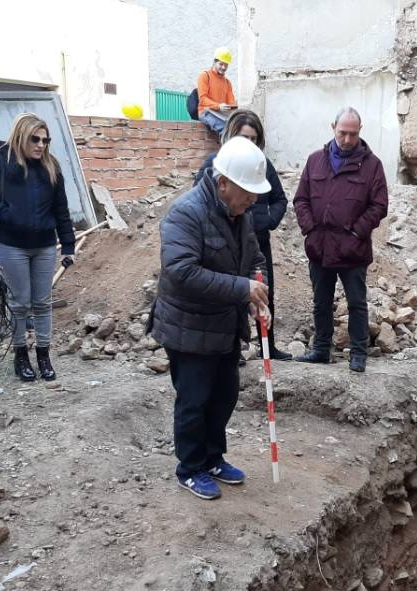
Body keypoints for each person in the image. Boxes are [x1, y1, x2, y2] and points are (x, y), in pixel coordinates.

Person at [150, 136, 271, 501]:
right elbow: (182, 272)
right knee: (194, 399)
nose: (253, 200)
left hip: (222, 326)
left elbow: (253, 260)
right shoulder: (185, 214)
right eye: (247, 192)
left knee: (224, 395)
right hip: (188, 326)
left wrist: (256, 290)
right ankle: (190, 467)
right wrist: (240, 289)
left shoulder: (239, 215)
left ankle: (213, 457)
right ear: (222, 183)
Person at [0, 113, 75, 382]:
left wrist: (68, 244)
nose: (41, 144)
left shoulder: (50, 166)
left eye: (45, 140)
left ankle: (44, 355)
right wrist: (6, 213)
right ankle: (21, 357)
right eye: (35, 138)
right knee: (19, 304)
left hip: (44, 246)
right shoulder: (1, 162)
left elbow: (61, 209)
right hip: (12, 246)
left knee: (42, 304)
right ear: (22, 135)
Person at [293, 107, 388, 373]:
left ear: (360, 131)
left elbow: (379, 206)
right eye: (342, 133)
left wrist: (357, 232)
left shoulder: (372, 165)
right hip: (319, 248)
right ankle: (321, 349)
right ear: (332, 126)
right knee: (320, 301)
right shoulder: (315, 161)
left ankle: (358, 353)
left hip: (353, 250)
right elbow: (301, 199)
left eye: (353, 134)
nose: (347, 139)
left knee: (356, 302)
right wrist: (310, 230)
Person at [196, 109, 291, 361]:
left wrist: (268, 221)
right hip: (224, 243)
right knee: (231, 293)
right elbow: (201, 201)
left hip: (257, 241)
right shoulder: (215, 165)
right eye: (243, 137)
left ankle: (267, 347)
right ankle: (233, 348)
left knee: (261, 291)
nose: (248, 143)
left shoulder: (263, 165)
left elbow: (280, 198)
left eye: (253, 138)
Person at [196, 47, 237, 135]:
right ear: (214, 62)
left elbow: (231, 102)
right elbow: (203, 99)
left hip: (221, 114)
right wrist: (218, 106)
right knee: (226, 129)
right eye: (221, 64)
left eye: (226, 65)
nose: (223, 67)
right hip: (206, 112)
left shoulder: (227, 82)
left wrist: (234, 109)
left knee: (238, 126)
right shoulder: (204, 76)